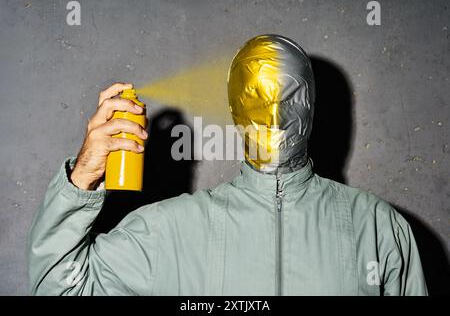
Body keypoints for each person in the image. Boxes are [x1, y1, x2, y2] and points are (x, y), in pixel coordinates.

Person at [28, 34, 427, 295]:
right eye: (257, 97)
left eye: (291, 96)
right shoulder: (168, 232)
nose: (274, 114)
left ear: (313, 107)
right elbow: (59, 289)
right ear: (235, 111)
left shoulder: (376, 227)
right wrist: (83, 177)